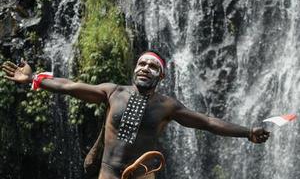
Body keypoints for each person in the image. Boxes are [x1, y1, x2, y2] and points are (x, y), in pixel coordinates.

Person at [1, 51, 270, 179]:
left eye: (153, 66)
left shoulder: (167, 106)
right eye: (142, 64)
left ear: (161, 76)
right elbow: (70, 86)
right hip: (108, 173)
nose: (145, 68)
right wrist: (33, 78)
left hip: (141, 175)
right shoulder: (113, 92)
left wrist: (247, 132)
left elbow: (208, 122)